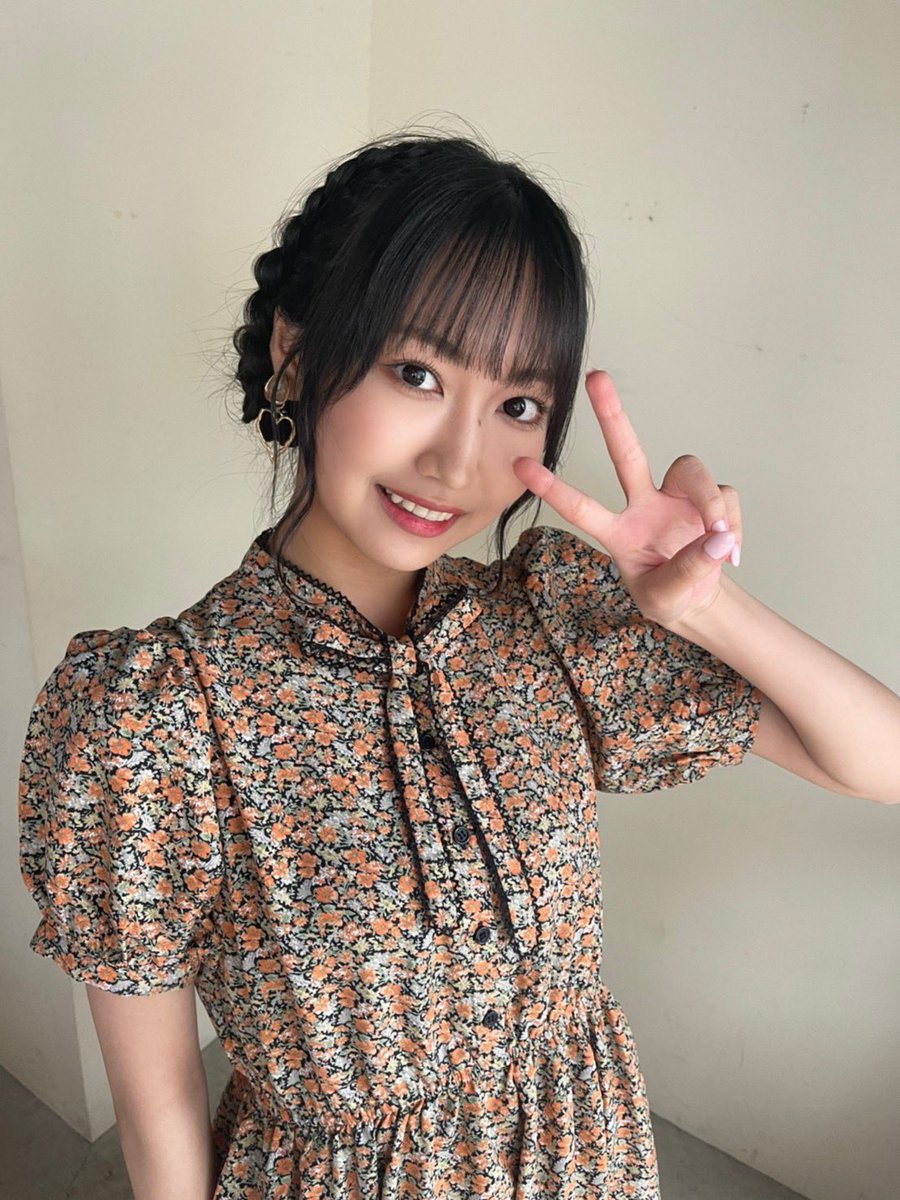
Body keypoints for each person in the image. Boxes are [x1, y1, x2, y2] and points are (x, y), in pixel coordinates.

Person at [17, 129, 900, 1200]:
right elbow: (158, 1112)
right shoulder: (151, 713)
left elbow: (879, 762)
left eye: (517, 405)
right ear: (295, 354)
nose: (457, 462)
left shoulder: (547, 616)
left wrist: (711, 608)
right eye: (416, 373)